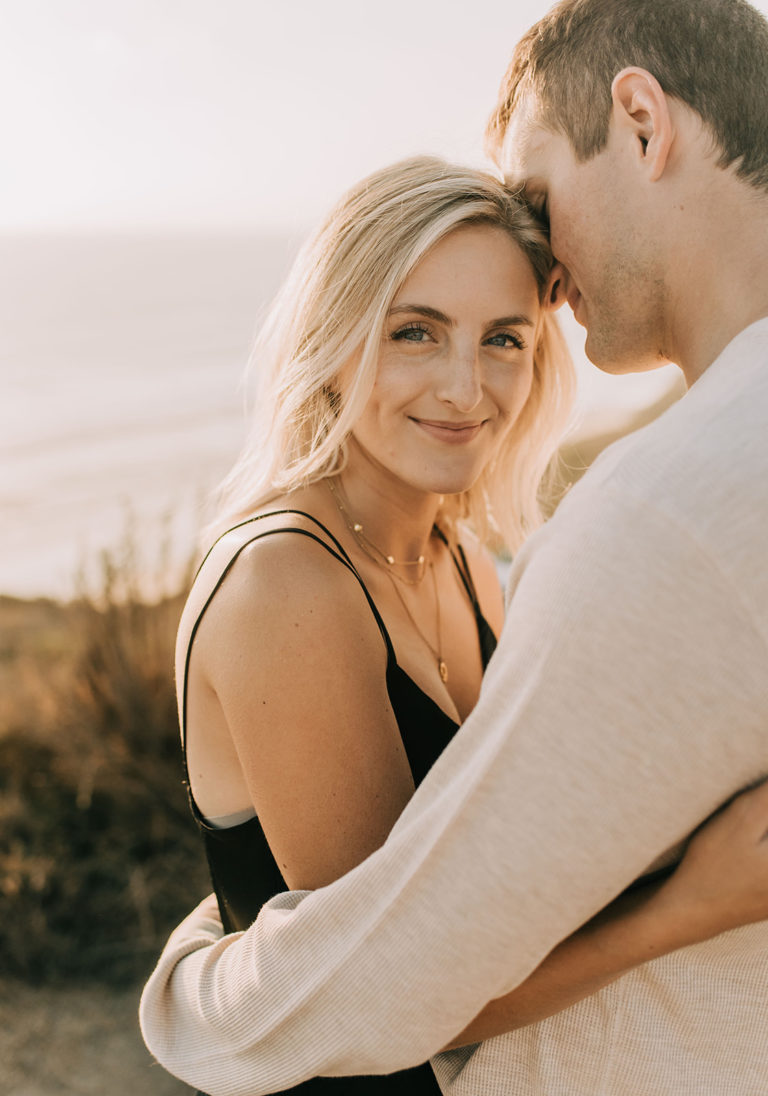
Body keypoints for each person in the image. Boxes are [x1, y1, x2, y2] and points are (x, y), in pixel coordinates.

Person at [140, 0, 768, 1087]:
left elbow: (494, 882)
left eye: (507, 339)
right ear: (334, 339)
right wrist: (687, 905)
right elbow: (394, 984)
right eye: (415, 331)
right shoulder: (287, 582)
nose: (465, 388)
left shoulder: (473, 559)